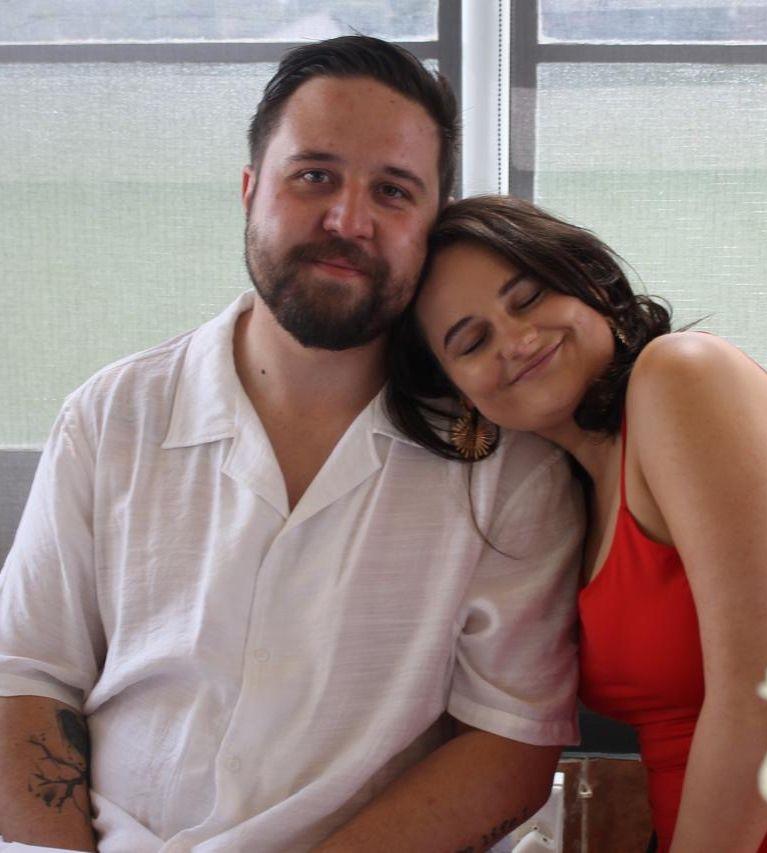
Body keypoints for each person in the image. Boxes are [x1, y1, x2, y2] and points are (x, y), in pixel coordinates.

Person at [0, 42, 585, 852]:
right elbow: (25, 675)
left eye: (392, 190)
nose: (348, 220)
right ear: (249, 190)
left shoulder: (505, 462)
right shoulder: (111, 416)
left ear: (432, 224)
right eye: (313, 175)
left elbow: (509, 743)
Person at [387, 194, 767, 853]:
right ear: (460, 395)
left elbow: (764, 689)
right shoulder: (578, 495)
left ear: (593, 284)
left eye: (529, 298)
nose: (516, 339)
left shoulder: (681, 375)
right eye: (472, 341)